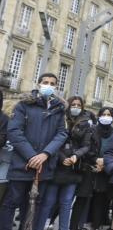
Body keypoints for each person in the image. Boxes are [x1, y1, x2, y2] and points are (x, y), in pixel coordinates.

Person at [0, 73, 68, 230]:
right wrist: (31, 155)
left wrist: (45, 154)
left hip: (43, 166)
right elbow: (15, 131)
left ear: (56, 87)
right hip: (22, 164)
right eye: (45, 82)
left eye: (52, 83)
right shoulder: (23, 105)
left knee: (33, 204)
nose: (48, 85)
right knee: (12, 201)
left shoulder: (59, 109)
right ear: (38, 85)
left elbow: (62, 133)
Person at [35, 96, 91, 230]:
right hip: (55, 165)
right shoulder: (59, 118)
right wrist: (61, 157)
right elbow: (52, 140)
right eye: (74, 105)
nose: (76, 107)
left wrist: (76, 156)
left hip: (73, 168)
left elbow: (86, 145)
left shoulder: (85, 123)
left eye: (79, 105)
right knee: (48, 202)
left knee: (66, 203)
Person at [86, 106, 113, 230]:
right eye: (104, 114)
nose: (106, 117)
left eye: (109, 114)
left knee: (101, 200)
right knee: (86, 199)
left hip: (106, 171)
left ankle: (97, 225)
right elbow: (87, 147)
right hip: (91, 168)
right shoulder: (92, 130)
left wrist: (104, 164)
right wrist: (95, 161)